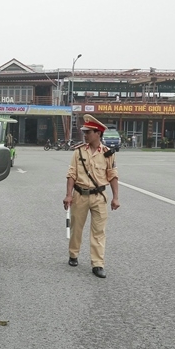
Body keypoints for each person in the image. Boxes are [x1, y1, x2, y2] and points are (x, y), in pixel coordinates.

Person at [63, 114, 120, 278]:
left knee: (99, 232)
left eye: (88, 132)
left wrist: (116, 197)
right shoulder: (79, 152)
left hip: (99, 196)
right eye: (84, 132)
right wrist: (68, 195)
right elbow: (71, 174)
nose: (85, 135)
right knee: (76, 228)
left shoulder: (108, 153)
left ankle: (98, 264)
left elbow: (113, 175)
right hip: (80, 195)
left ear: (98, 133)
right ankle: (73, 254)